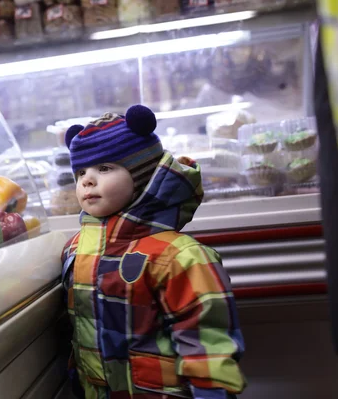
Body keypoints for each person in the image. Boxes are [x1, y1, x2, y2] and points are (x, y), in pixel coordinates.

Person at [61, 105, 247, 399]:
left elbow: (206, 342)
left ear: (143, 174)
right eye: (81, 171)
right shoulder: (76, 249)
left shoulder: (180, 256)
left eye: (105, 168)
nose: (87, 180)